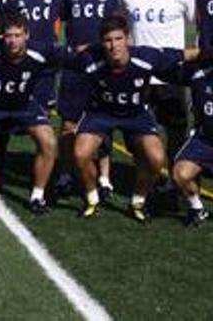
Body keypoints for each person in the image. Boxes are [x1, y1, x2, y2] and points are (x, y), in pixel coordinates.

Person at [71, 15, 203, 222]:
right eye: (108, 40)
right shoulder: (90, 59)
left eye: (118, 39)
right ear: (101, 42)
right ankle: (92, 198)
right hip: (101, 113)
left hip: (136, 114)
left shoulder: (146, 57)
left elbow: (186, 54)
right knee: (80, 154)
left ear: (128, 39)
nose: (114, 46)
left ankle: (138, 201)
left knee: (157, 158)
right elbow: (59, 56)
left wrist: (208, 54)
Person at [0, 14, 62, 214]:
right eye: (8, 35)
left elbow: (71, 57)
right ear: (2, 37)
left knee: (49, 142)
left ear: (27, 35)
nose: (13, 40)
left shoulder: (39, 52)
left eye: (18, 35)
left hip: (24, 104)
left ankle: (37, 196)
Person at [56, 0, 128, 200]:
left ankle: (104, 178)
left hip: (102, 67)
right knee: (68, 123)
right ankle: (64, 174)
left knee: (104, 124)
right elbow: (60, 19)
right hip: (75, 67)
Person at [0, 0, 62, 190]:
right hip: (16, 65)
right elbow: (0, 28)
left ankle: (40, 178)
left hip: (44, 68)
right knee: (4, 123)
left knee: (40, 122)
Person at [120, 0, 195, 163]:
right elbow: (121, 20)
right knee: (134, 134)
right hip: (138, 74)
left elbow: (196, 23)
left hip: (171, 74)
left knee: (175, 131)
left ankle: (174, 181)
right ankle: (149, 178)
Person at [169, 60, 213, 227]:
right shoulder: (200, 76)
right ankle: (196, 208)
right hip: (205, 140)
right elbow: (167, 70)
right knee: (180, 173)